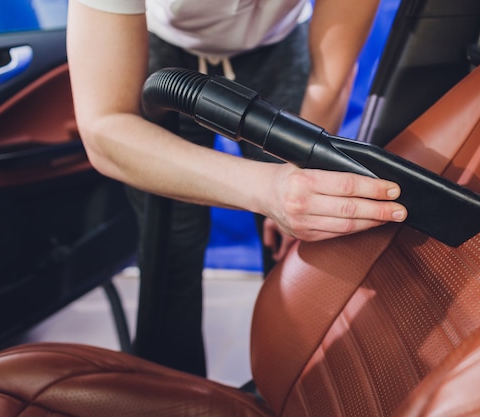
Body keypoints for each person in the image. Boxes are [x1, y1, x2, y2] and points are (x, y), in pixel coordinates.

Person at [67, 0, 408, 377]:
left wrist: (297, 180)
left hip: (277, 47)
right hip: (165, 51)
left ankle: (294, 386)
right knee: (169, 251)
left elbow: (330, 79)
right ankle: (169, 395)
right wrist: (268, 188)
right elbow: (104, 127)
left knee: (295, 251)